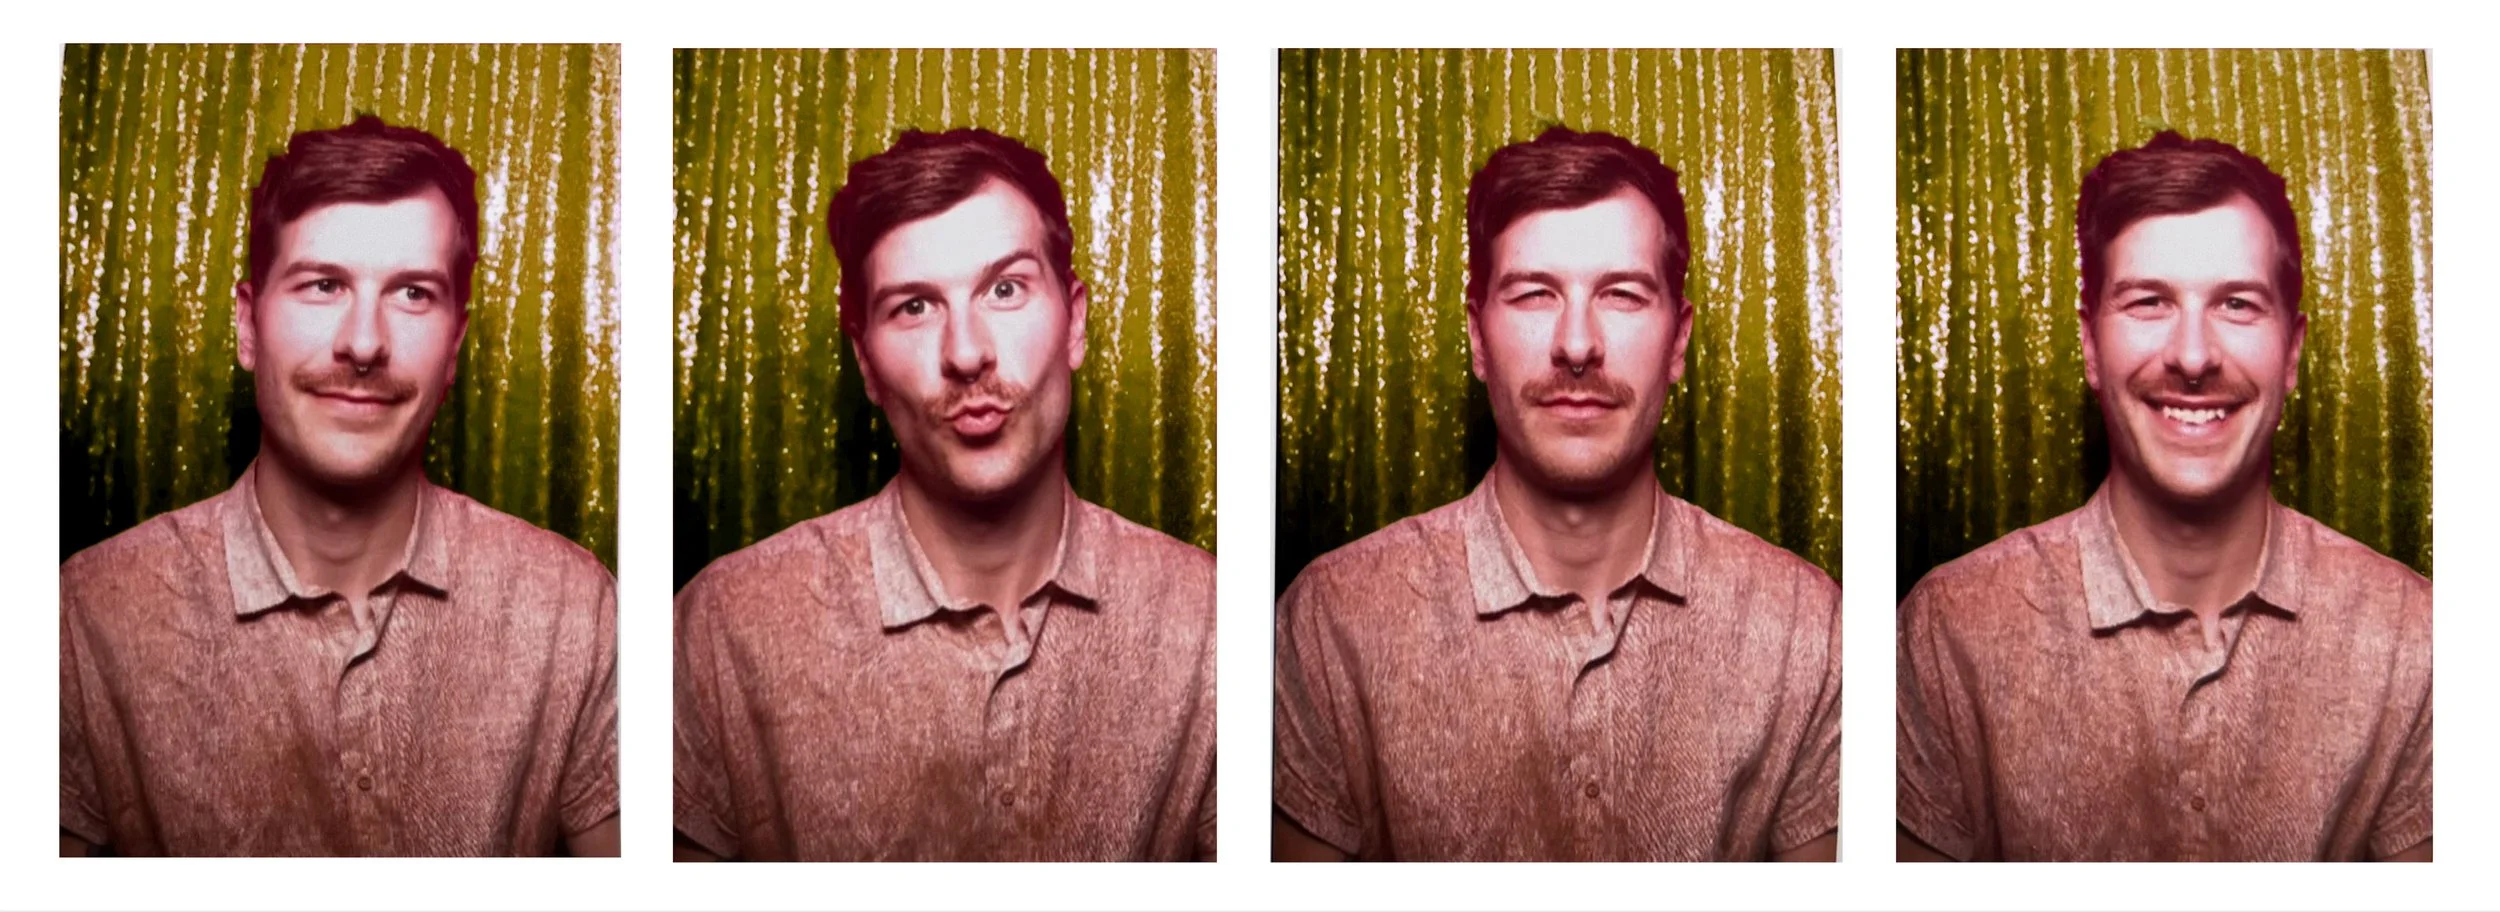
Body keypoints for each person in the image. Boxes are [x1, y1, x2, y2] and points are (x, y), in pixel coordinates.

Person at [1272, 126, 1841, 862]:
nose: (1576, 344)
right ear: (1478, 338)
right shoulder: (1332, 625)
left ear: (1677, 342)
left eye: (1623, 295)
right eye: (1535, 295)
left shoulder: (1807, 629)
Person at [58, 115, 620, 857]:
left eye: (412, 293)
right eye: (323, 285)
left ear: (454, 346)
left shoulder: (574, 609)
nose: (363, 343)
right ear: (248, 325)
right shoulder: (85, 618)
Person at [672, 128, 1216, 862]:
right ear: (867, 364)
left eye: (1005, 289)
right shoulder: (720, 631)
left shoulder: (1214, 626)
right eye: (914, 307)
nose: (966, 353)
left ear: (1075, 323)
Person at [1895, 131, 2432, 862]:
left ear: (2292, 351)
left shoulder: (2417, 641)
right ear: (2091, 347)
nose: (2192, 356)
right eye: (2149, 302)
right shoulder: (1947, 632)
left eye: (2237, 304)